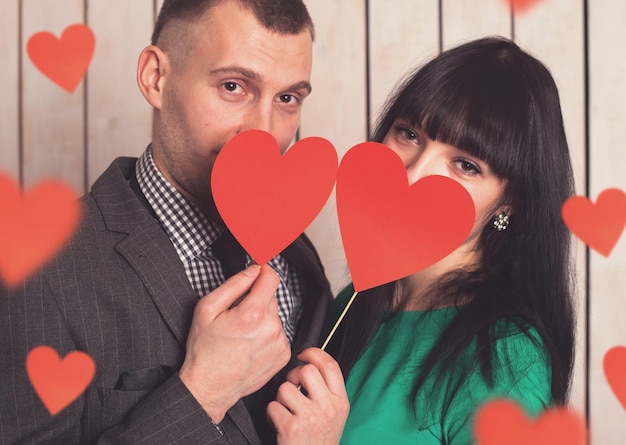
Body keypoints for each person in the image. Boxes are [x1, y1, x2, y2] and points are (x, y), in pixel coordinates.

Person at [0, 0, 336, 443]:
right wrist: (203, 393)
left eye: (287, 98)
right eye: (233, 86)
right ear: (155, 78)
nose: (263, 132)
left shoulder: (298, 253)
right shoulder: (39, 267)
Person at [275, 36, 576, 444]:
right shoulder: (352, 303)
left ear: (511, 203)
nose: (414, 175)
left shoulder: (505, 358)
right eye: (409, 135)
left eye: (466, 165)